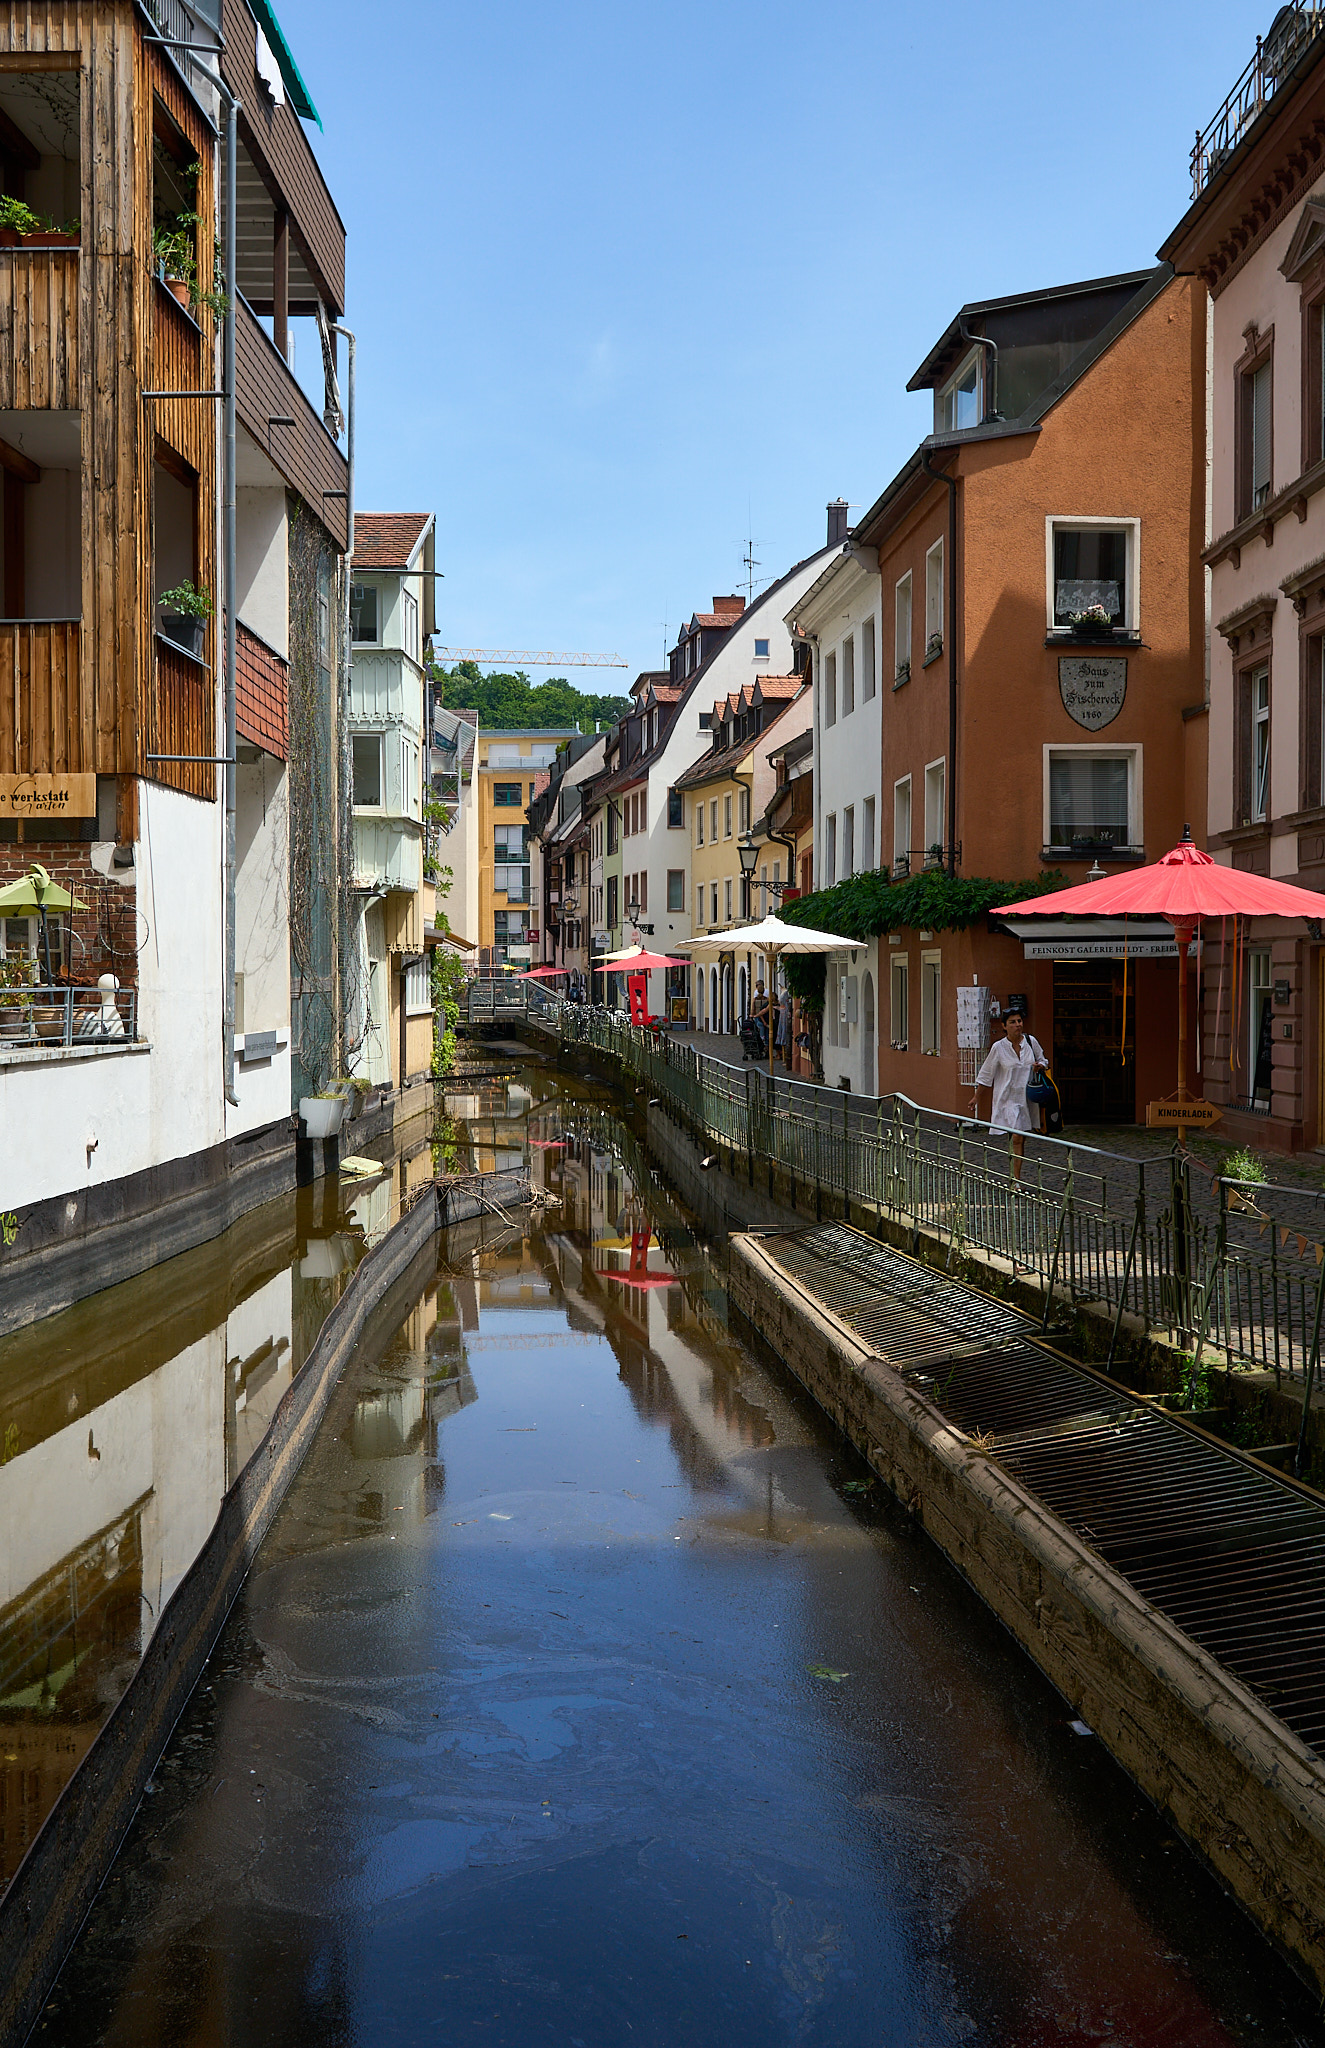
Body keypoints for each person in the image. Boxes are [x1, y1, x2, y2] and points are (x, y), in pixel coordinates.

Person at [972, 1008, 1047, 1178]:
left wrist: (1040, 1065)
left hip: (1027, 1098)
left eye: (1019, 1021)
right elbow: (986, 1074)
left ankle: (1016, 1174)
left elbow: (1043, 1059)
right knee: (1016, 1137)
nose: (1017, 1025)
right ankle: (1016, 1179)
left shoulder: (1030, 1041)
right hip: (1007, 1099)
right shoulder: (998, 1048)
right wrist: (977, 1096)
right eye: (1012, 1022)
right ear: (1004, 1026)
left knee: (1021, 1137)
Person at [750, 977, 770, 1056]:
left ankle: (761, 1048)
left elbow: (754, 1005)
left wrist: (752, 1015)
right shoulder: (767, 996)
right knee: (767, 1035)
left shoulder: (756, 996)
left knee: (760, 1034)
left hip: (759, 1017)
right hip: (767, 1018)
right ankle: (767, 1049)